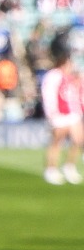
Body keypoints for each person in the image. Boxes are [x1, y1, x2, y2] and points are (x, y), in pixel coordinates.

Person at [41, 32, 82, 185]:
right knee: (57, 142)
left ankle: (69, 167)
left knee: (78, 140)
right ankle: (51, 169)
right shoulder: (53, 75)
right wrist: (51, 113)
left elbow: (76, 95)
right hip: (59, 114)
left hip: (72, 114)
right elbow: (49, 95)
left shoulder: (72, 76)